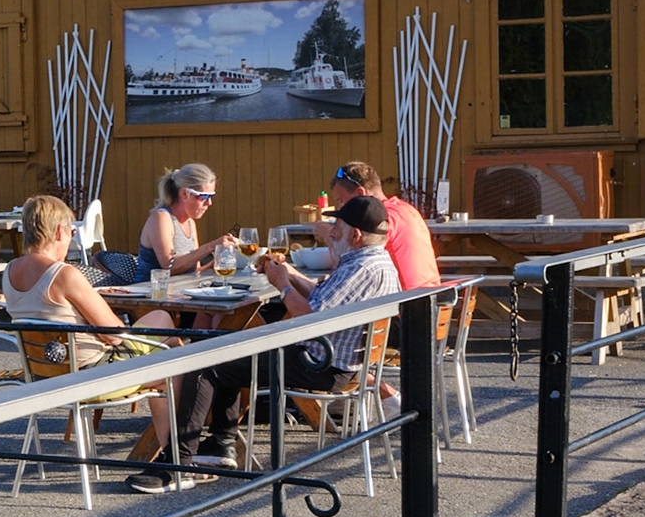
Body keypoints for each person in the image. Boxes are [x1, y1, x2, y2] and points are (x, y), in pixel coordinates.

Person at [151, 196, 402, 491]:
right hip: (338, 362)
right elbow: (324, 302)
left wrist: (282, 285)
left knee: (206, 363)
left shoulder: (359, 268)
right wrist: (291, 275)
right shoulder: (377, 262)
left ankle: (179, 463)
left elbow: (311, 317)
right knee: (231, 347)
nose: (332, 233)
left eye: (338, 226)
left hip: (321, 364)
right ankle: (219, 447)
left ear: (356, 235)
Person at [5, 195, 179, 451]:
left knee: (165, 335)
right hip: (89, 377)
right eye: (73, 231)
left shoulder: (9, 271)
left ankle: (173, 449)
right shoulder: (64, 274)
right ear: (60, 231)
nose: (72, 236)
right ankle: (175, 450)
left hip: (42, 376)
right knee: (173, 352)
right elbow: (115, 334)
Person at [314, 161, 440, 291]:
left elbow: (344, 264)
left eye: (341, 200)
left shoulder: (378, 220)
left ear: (360, 193)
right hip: (431, 296)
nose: (340, 207)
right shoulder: (407, 209)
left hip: (405, 304)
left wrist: (330, 235)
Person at [138, 163, 230, 275]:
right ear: (184, 194)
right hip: (151, 290)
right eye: (204, 197)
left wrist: (219, 262)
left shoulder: (190, 222)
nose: (209, 203)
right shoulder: (161, 218)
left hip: (180, 289)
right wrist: (212, 246)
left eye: (210, 196)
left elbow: (194, 271)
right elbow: (169, 267)